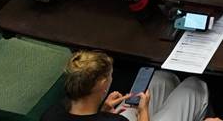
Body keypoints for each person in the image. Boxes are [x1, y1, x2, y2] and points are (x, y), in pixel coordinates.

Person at [40, 49, 212, 121]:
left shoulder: (51, 114)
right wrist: (143, 111)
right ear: (102, 83)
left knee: (162, 78)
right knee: (194, 87)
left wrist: (103, 112)